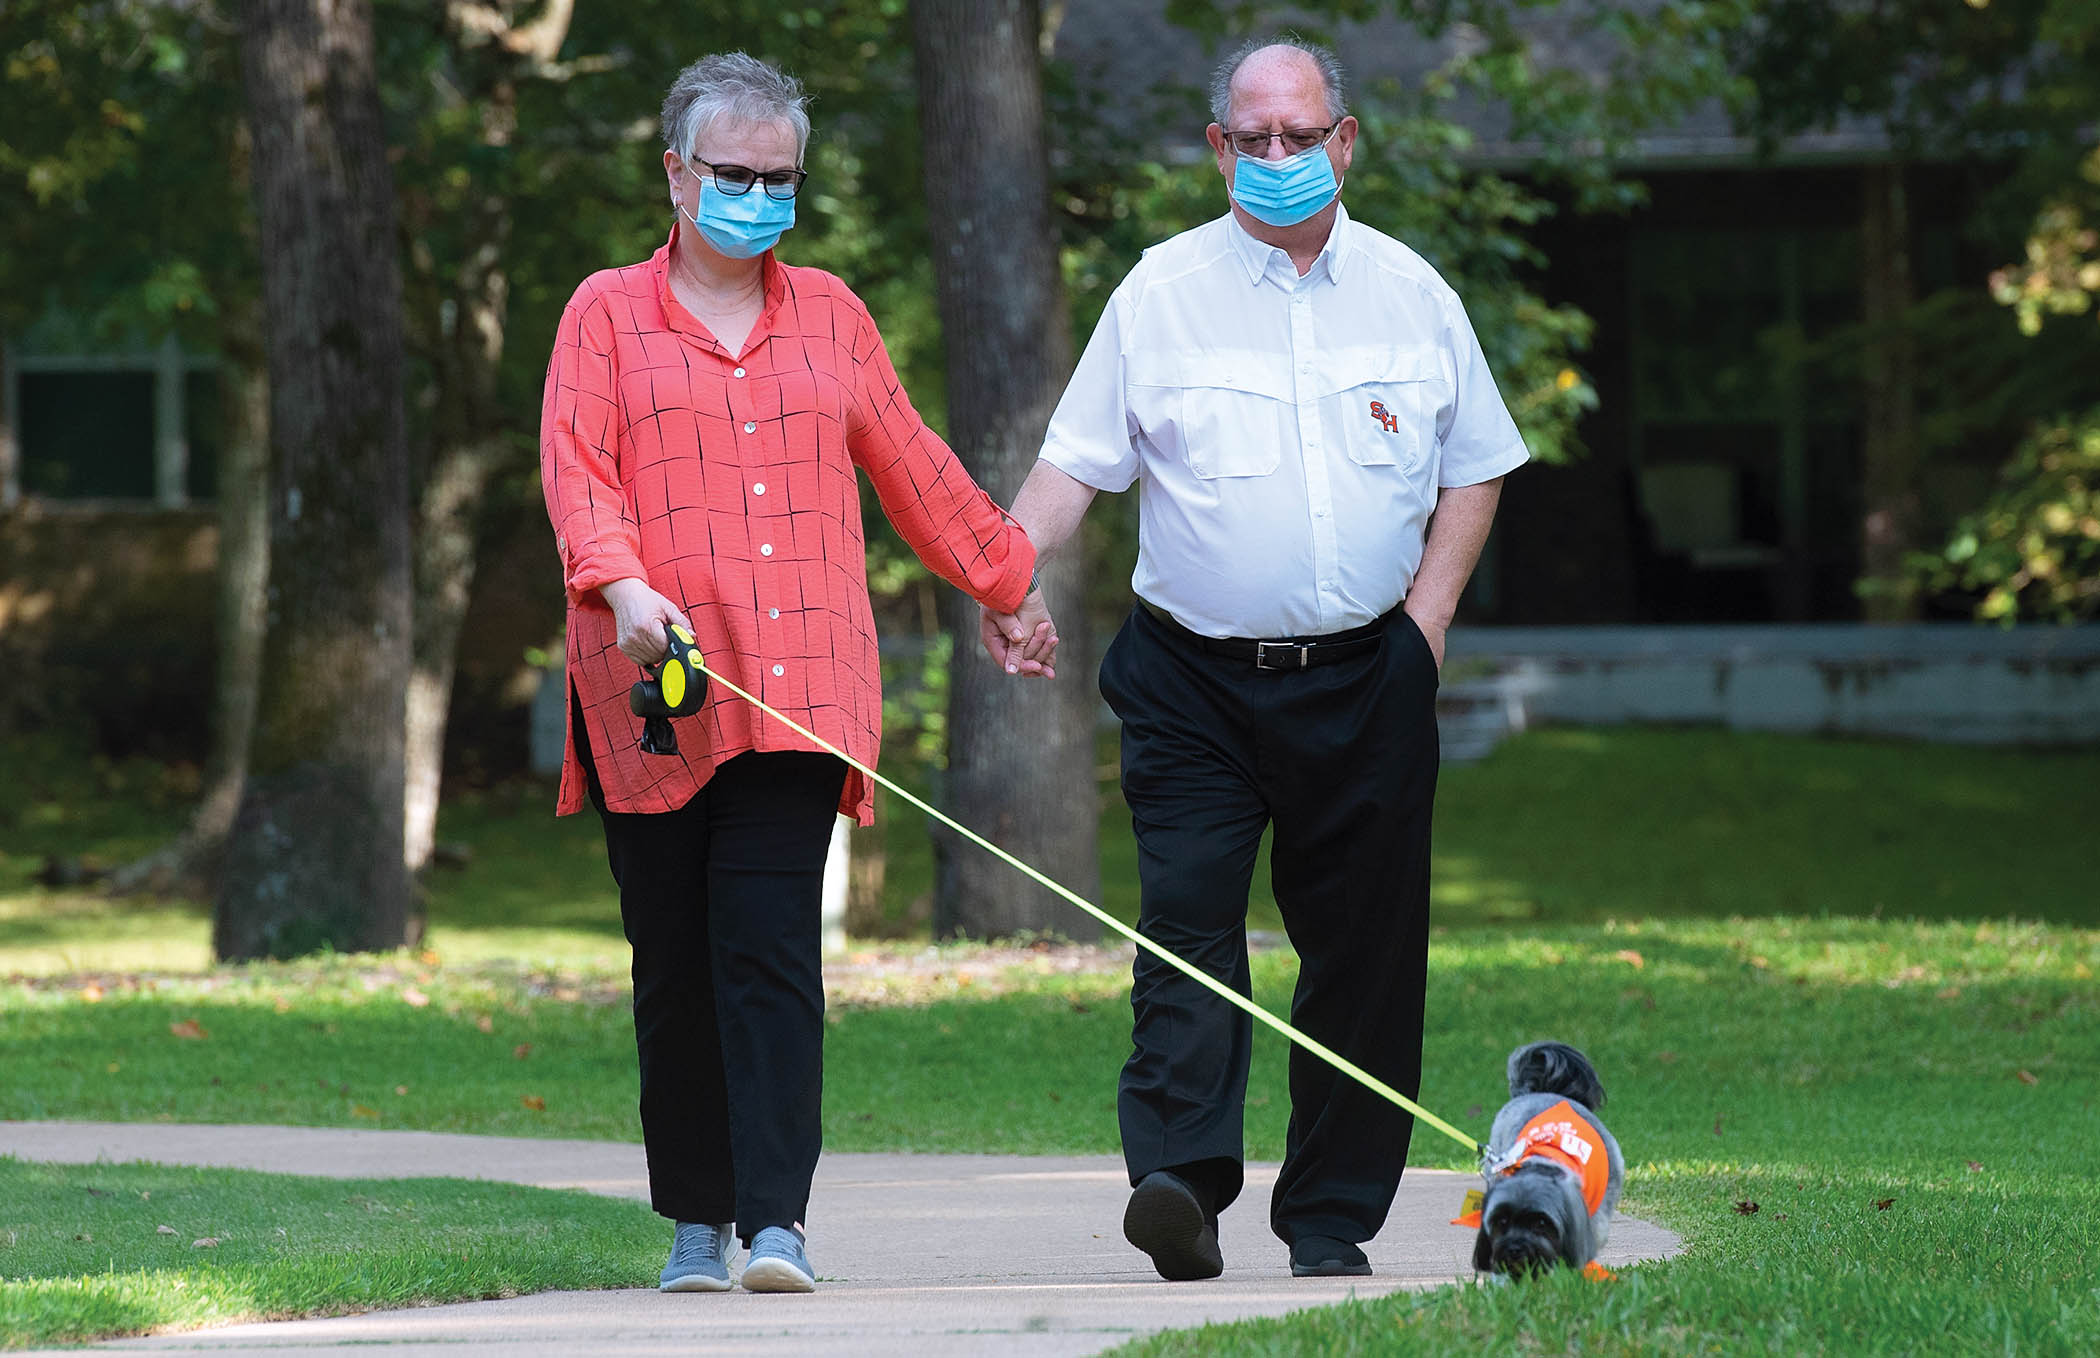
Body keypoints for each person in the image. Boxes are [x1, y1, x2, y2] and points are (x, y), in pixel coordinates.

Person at [985, 35, 1528, 1281]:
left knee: (1365, 953)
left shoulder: (1413, 293)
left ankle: (1331, 1216)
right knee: (1187, 925)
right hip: (1190, 681)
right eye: (1253, 138)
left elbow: (1477, 464)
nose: (1277, 158)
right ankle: (1179, 1180)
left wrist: (1428, 626)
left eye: (1301, 135)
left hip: (1368, 675)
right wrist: (1006, 574)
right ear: (1219, 148)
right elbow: (1074, 460)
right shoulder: (1158, 291)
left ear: (1345, 141)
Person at [541, 52, 1054, 1296]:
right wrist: (619, 585)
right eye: (736, 174)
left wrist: (1004, 580)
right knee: (671, 957)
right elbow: (574, 463)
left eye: (782, 179)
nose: (759, 198)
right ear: (676, 173)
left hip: (802, 684)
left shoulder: (831, 312)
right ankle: (693, 1222)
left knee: (769, 946)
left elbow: (913, 460)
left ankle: (776, 1221)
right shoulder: (605, 310)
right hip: (652, 689)